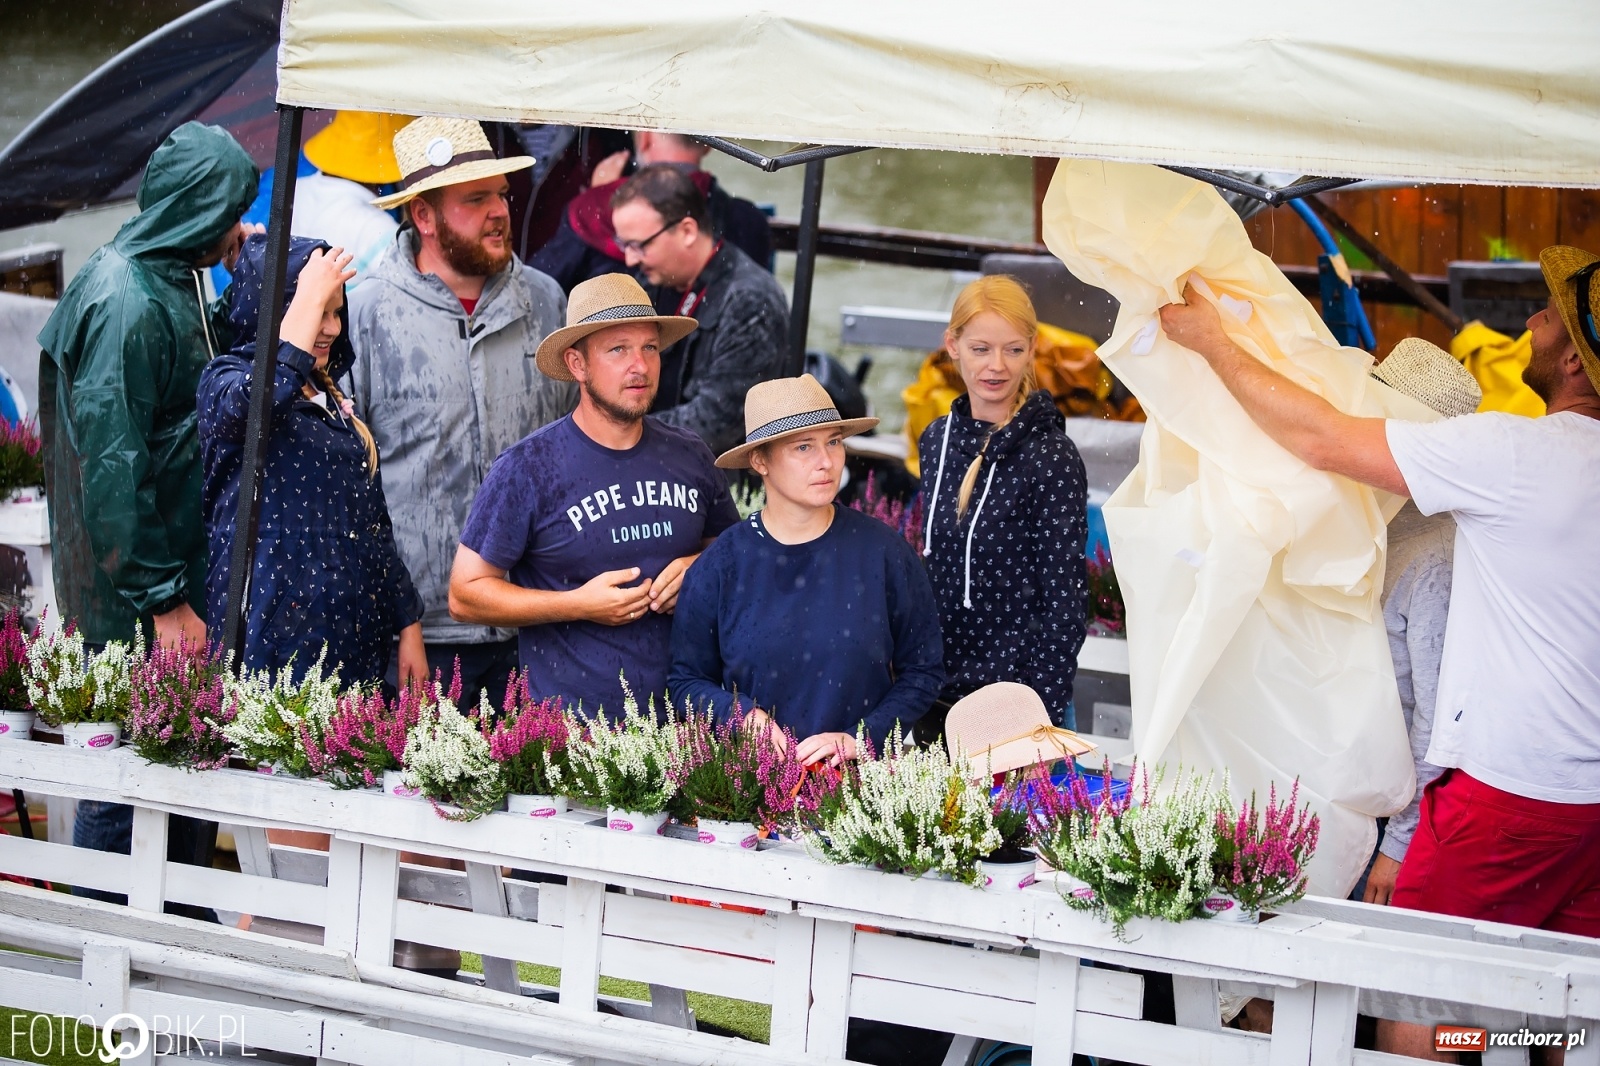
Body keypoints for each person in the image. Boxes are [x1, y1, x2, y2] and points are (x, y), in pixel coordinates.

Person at [1160, 246, 1600, 1063]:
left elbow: (1322, 438)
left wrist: (1215, 343)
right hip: (1588, 804)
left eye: (1548, 313)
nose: (1528, 322)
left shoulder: (1514, 457)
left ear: (1574, 358)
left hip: (1508, 796)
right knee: (1567, 1014)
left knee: (1419, 1016)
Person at [36, 121, 258, 906]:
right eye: (231, 211)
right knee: (130, 788)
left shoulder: (172, 272)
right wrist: (164, 603)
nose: (241, 223)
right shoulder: (125, 298)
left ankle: (173, 973)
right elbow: (113, 470)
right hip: (139, 603)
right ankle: (104, 978)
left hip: (174, 583)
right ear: (196, 208)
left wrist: (237, 263)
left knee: (186, 783)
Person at [347, 116, 576, 711]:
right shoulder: (364, 314)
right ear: (423, 216)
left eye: (500, 193)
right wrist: (397, 621)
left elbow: (576, 455)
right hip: (419, 635)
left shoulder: (547, 301)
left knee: (539, 804)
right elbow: (350, 488)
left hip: (538, 621)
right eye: (475, 200)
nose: (500, 211)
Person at [448, 274, 739, 717]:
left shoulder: (691, 454)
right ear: (578, 364)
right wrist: (577, 604)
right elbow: (465, 595)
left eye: (649, 347)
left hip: (688, 731)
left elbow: (736, 553)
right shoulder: (528, 468)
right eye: (618, 349)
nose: (639, 365)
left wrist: (699, 569)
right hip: (572, 737)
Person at [669, 375, 944, 762]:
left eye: (834, 442)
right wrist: (742, 717)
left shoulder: (884, 552)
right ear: (759, 460)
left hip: (859, 801)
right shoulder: (721, 565)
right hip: (748, 795)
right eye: (804, 447)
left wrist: (861, 738)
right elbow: (685, 681)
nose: (827, 461)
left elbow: (924, 671)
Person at [198, 236, 425, 689]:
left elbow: (376, 528)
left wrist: (408, 625)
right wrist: (303, 303)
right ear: (271, 312)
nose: (332, 327)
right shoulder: (223, 381)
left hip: (352, 647)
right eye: (317, 309)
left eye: (336, 311)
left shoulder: (333, 401)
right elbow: (259, 401)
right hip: (268, 649)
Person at [917, 276, 1089, 736]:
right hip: (937, 699)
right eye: (980, 349)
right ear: (951, 345)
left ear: (1033, 349)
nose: (997, 366)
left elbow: (1065, 603)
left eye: (1013, 349)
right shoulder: (936, 440)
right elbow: (929, 568)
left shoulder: (1050, 455)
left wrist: (1040, 721)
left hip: (1017, 706)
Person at [1357, 339, 1482, 908]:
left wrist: (1398, 847)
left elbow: (1438, 713)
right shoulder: (1375, 514)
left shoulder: (1436, 555)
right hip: (1344, 785)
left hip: (1385, 814)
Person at [612, 165, 790, 456]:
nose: (630, 259)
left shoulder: (752, 301)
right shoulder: (651, 281)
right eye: (624, 245)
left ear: (687, 231)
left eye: (639, 245)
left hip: (722, 481)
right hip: (659, 459)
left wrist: (616, 429)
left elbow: (717, 425)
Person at [531, 130, 772, 293]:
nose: (631, 257)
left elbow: (538, 289)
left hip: (622, 358)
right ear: (708, 147)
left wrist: (596, 199)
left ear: (644, 138)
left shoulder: (591, 213)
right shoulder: (748, 221)